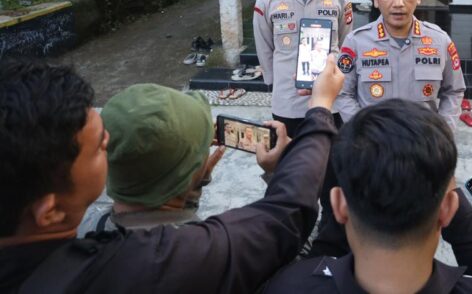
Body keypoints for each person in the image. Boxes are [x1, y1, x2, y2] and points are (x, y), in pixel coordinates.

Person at [0, 56, 342, 293]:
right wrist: (320, 108)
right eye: (100, 146)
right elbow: (285, 218)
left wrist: (190, 185)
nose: (109, 142)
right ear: (50, 211)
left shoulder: (90, 230)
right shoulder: (154, 265)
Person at [262, 99, 472, 293]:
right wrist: (447, 184)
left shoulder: (290, 284)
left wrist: (282, 172)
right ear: (449, 209)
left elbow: (317, 252)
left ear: (339, 205)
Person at [78, 84, 224, 235]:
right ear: (185, 173)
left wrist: (191, 186)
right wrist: (194, 178)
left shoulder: (86, 228)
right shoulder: (209, 243)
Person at [336, 0, 465, 128]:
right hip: (373, 142)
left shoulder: (440, 41)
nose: (398, 3)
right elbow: (343, 93)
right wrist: (362, 132)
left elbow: (454, 90)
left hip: (422, 141)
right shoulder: (356, 43)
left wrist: (443, 131)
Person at [253, 0, 353, 137]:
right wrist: (276, 86)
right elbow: (265, 51)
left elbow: (344, 44)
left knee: (331, 153)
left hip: (330, 101)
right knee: (288, 152)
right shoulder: (267, 2)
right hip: (288, 102)